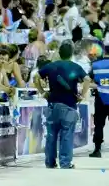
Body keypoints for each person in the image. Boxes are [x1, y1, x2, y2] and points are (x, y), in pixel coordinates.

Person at [36, 41, 92, 170]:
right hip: (69, 105)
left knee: (51, 135)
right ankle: (65, 163)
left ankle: (50, 163)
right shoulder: (76, 67)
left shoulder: (51, 66)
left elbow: (36, 77)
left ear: (59, 53)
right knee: (67, 135)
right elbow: (88, 79)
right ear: (71, 54)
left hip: (53, 104)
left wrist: (42, 92)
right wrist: (82, 95)